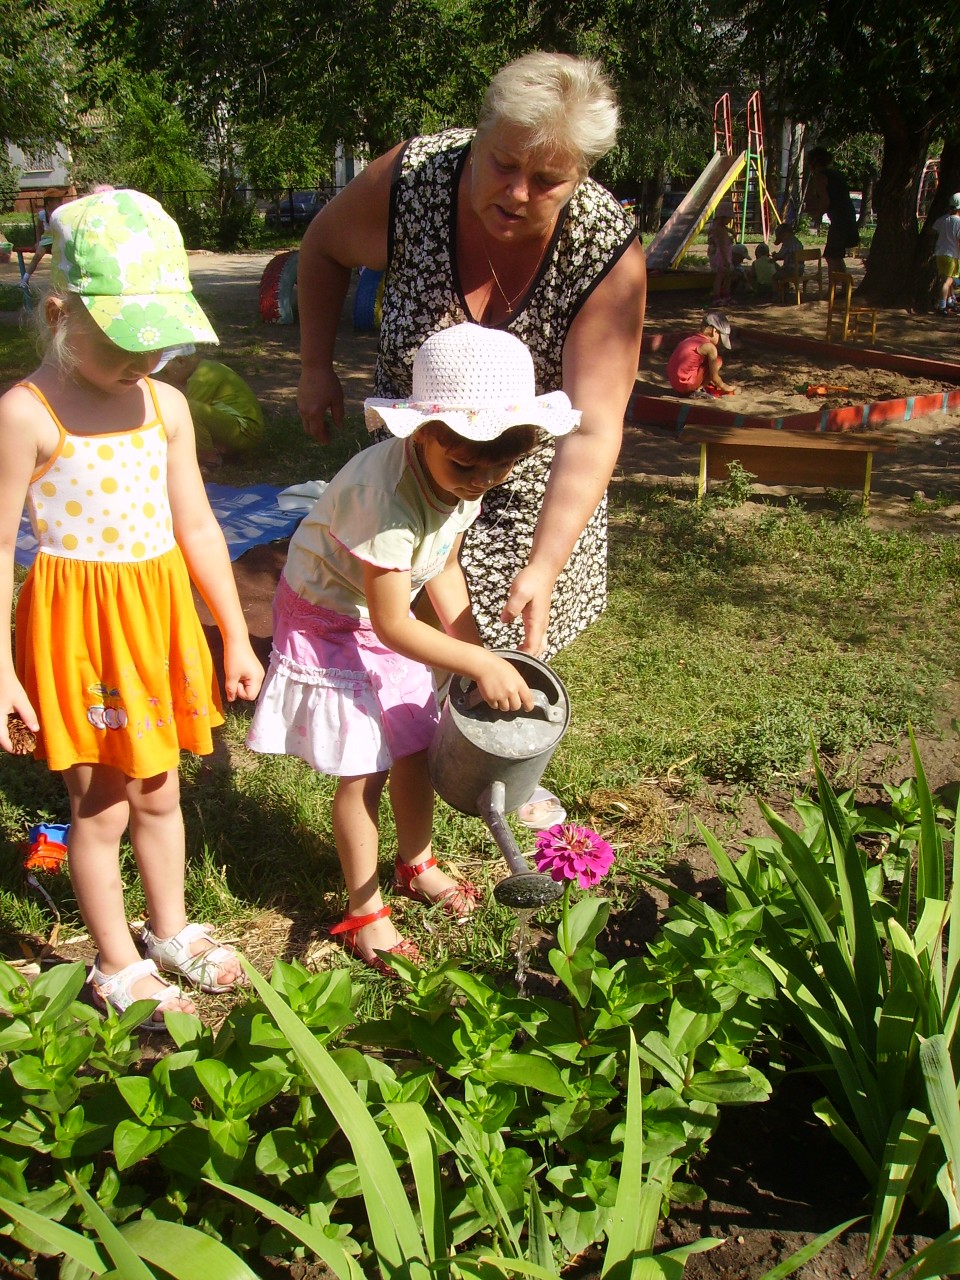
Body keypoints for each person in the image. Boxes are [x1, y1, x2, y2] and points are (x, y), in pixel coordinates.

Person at [0, 189, 264, 1028]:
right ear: (58, 314)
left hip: (156, 621)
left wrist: (231, 634)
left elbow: (197, 526)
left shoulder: (165, 407)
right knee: (98, 803)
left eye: (158, 339)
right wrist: (2, 670)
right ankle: (115, 962)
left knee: (158, 792)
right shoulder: (24, 415)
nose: (145, 359)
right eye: (124, 340)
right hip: (79, 631)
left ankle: (172, 929)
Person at [247, 324, 580, 971]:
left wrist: (475, 644)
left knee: (414, 747)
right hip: (332, 622)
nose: (481, 480)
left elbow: (443, 568)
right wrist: (477, 662)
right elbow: (394, 623)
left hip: (380, 615)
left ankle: (415, 861)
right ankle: (364, 909)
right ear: (421, 434)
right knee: (365, 766)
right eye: (466, 465)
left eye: (502, 467)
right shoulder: (387, 500)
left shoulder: (459, 480)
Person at [295, 51, 645, 667]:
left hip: (530, 489)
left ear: (581, 175)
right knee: (398, 655)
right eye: (503, 164)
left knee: (497, 670)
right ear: (478, 134)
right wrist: (314, 367)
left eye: (547, 182)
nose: (517, 193)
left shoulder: (603, 247)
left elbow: (591, 425)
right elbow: (322, 247)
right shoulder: (414, 181)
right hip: (420, 464)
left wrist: (544, 564)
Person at [158, 352, 266, 466]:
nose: (166, 379)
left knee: (187, 409)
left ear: (181, 361)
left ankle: (208, 460)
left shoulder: (201, 379)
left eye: (166, 373)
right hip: (244, 430)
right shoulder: (207, 368)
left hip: (245, 432)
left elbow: (182, 419)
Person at [805, 146, 859, 279]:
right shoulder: (837, 174)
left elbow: (826, 201)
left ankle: (835, 289)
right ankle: (843, 287)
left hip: (839, 220)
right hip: (848, 217)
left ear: (814, 162)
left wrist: (818, 216)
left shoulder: (820, 177)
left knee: (831, 256)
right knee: (836, 256)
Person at [666, 312, 735, 396]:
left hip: (674, 383)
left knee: (705, 361)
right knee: (717, 361)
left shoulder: (690, 340)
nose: (719, 342)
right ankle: (698, 390)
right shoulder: (710, 347)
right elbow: (714, 378)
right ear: (714, 331)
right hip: (686, 386)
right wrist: (724, 387)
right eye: (720, 338)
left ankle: (696, 386)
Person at [20, 195, 61, 289]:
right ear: (49, 202)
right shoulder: (42, 214)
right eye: (58, 200)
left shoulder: (60, 212)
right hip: (47, 239)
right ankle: (25, 279)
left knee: (60, 257)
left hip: (57, 239)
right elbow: (39, 228)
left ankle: (60, 281)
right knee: (37, 256)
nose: (60, 203)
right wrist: (38, 241)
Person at [932, 193, 960, 317]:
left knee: (944, 279)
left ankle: (949, 301)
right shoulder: (958, 222)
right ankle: (942, 306)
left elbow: (932, 230)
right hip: (952, 254)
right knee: (948, 281)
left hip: (939, 253)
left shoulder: (943, 219)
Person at [707, 206, 735, 304]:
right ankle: (717, 297)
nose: (730, 220)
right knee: (720, 277)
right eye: (728, 218)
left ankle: (725, 295)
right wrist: (726, 260)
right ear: (723, 217)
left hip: (723, 255)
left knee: (728, 276)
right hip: (722, 256)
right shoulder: (721, 231)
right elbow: (722, 246)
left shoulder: (718, 228)